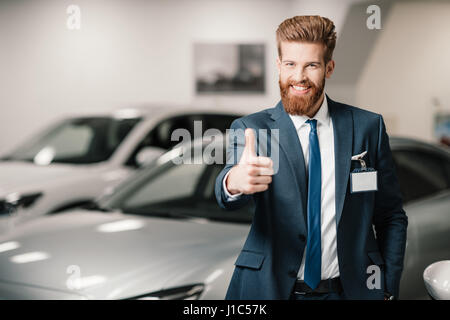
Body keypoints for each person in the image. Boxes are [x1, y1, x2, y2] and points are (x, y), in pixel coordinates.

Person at [215, 15, 407, 300]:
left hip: (349, 292)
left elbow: (390, 215)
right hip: (270, 291)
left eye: (311, 65)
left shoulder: (368, 127)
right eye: (290, 64)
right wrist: (234, 182)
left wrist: (387, 286)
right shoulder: (251, 129)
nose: (299, 77)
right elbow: (227, 188)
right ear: (278, 66)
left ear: (329, 68)